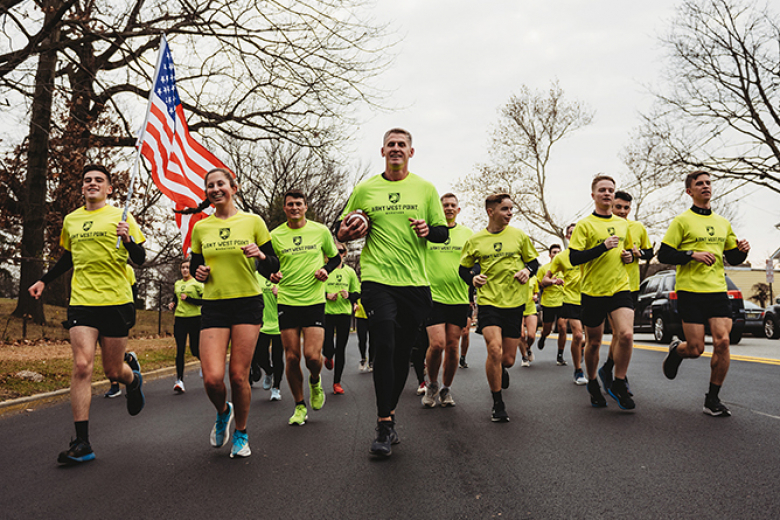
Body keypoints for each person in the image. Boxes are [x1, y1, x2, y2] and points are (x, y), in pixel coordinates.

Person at [336, 128, 448, 457]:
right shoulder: (365, 188)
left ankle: (391, 412)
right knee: (383, 345)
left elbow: (442, 233)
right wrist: (344, 230)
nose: (396, 149)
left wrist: (429, 230)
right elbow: (342, 227)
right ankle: (383, 424)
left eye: (402, 145)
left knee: (401, 355)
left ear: (411, 152)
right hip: (377, 278)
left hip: (415, 282)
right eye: (391, 145)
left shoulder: (425, 189)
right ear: (382, 150)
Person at [28, 164, 147, 465]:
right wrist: (44, 279)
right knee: (82, 366)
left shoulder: (122, 217)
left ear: (109, 188)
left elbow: (141, 260)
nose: (92, 183)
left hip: (116, 301)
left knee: (112, 371)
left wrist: (129, 240)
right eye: (87, 180)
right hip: (82, 301)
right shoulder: (72, 220)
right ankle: (82, 442)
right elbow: (68, 257)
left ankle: (131, 380)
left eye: (99, 180)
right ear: (82, 188)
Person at [187, 167, 279, 458]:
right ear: (207, 193)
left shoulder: (253, 222)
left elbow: (273, 265)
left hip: (247, 303)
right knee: (212, 378)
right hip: (214, 305)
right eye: (210, 186)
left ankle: (241, 433)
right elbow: (195, 266)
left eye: (221, 184)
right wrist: (198, 272)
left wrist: (261, 255)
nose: (216, 189)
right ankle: (222, 410)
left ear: (233, 188)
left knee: (238, 376)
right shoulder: (201, 227)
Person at [658, 171, 749, 416]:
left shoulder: (722, 222)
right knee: (696, 349)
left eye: (708, 183)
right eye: (700, 184)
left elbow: (733, 257)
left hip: (718, 291)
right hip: (690, 292)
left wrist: (743, 251)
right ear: (690, 191)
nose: (706, 186)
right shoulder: (682, 221)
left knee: (723, 341)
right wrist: (691, 254)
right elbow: (663, 254)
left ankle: (712, 399)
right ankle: (677, 349)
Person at [459, 193, 539, 423]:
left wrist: (528, 271)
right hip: (489, 302)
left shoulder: (519, 236)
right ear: (490, 211)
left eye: (511, 209)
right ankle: (497, 403)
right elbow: (463, 269)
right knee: (494, 349)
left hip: (514, 302)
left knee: (508, 359)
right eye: (505, 209)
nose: (510, 213)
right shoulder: (475, 240)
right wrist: (472, 280)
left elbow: (533, 261)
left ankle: (501, 369)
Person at [271, 188, 340, 426]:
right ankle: (300, 405)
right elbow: (267, 264)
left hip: (313, 301)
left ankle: (315, 379)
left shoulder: (320, 231)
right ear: (285, 208)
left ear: (306, 207)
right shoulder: (275, 235)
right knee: (291, 357)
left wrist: (326, 270)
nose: (294, 208)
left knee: (312, 356)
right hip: (287, 301)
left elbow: (336, 258)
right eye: (290, 204)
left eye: (298, 203)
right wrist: (272, 273)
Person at [569, 175, 635, 410]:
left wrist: (629, 256)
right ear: (593, 195)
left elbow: (626, 252)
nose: (607, 194)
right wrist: (602, 247)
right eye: (602, 190)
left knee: (626, 335)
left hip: (619, 287)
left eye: (611, 190)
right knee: (594, 342)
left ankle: (618, 382)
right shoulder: (585, 225)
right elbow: (574, 258)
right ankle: (593, 381)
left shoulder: (623, 224)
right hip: (593, 291)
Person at [421, 193, 473, 408]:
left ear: (458, 210)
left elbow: (475, 264)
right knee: (437, 344)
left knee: (452, 347)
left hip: (459, 298)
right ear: (439, 210)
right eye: (445, 205)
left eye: (453, 205)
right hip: (433, 296)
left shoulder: (467, 234)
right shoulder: (428, 234)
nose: (449, 208)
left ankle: (445, 388)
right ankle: (431, 384)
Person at [598, 191, 653, 393]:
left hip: (632, 286)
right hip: (610, 286)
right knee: (619, 334)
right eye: (618, 206)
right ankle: (615, 374)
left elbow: (649, 252)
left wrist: (640, 253)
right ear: (611, 206)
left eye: (626, 208)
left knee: (623, 335)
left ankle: (610, 369)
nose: (622, 211)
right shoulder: (604, 226)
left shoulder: (637, 227)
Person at [546, 223, 586, 385]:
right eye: (571, 233)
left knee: (591, 340)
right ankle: (578, 370)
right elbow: (545, 279)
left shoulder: (591, 253)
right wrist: (554, 281)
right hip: (570, 299)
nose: (574, 234)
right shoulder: (561, 257)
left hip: (591, 297)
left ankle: (583, 349)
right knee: (577, 335)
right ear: (568, 237)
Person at [323, 243, 361, 394]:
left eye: (340, 251)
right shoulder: (323, 270)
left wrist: (349, 296)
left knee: (341, 348)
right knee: (328, 347)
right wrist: (326, 295)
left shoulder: (350, 272)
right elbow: (314, 289)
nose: (337, 253)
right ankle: (327, 355)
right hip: (326, 313)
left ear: (345, 253)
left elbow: (357, 292)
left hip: (344, 314)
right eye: (334, 251)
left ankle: (337, 382)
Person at [168, 258, 205, 394]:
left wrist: (189, 299)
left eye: (187, 267)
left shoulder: (197, 284)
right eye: (183, 267)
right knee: (180, 350)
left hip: (195, 319)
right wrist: (173, 304)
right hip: (180, 319)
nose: (185, 270)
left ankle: (205, 365)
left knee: (195, 350)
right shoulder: (177, 284)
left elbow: (204, 301)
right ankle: (179, 380)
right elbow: (176, 298)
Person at [105, 264, 141, 398]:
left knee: (110, 351)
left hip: (119, 311)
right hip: (100, 308)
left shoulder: (128, 269)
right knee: (105, 349)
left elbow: (133, 290)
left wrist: (130, 311)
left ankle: (115, 385)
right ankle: (129, 358)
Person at [251, 274, 284, 401]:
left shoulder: (282, 275)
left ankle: (276, 388)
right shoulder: (256, 276)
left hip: (279, 323)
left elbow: (293, 295)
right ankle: (269, 371)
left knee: (277, 357)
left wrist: (281, 293)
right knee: (259, 356)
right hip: (262, 324)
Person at [538, 244, 568, 366]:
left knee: (562, 327)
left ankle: (560, 354)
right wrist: (552, 282)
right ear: (550, 255)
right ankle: (543, 336)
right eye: (554, 252)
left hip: (563, 301)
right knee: (547, 329)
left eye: (558, 252)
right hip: (548, 302)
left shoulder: (566, 267)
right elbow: (541, 285)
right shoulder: (544, 269)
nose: (556, 254)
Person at [519, 274, 539, 367]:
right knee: (521, 335)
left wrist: (535, 296)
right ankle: (524, 357)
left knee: (531, 335)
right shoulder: (516, 276)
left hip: (530, 308)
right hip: (518, 308)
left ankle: (527, 348)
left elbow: (536, 292)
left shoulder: (534, 278)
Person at [354, 299, 372, 371]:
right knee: (362, 339)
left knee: (372, 340)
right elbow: (353, 295)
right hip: (360, 315)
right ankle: (363, 358)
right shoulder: (358, 287)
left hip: (371, 315)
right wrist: (354, 304)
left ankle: (371, 361)